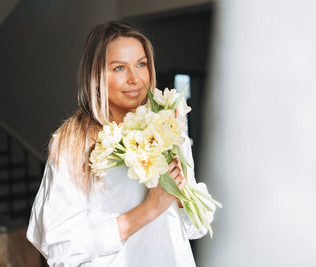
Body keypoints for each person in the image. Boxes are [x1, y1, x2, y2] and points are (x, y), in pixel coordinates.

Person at [26, 21, 215, 267]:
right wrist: (149, 208)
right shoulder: (72, 143)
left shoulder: (167, 128)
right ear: (95, 77)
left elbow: (196, 227)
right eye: (118, 68)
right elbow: (61, 248)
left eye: (141, 64)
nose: (134, 79)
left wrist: (180, 196)